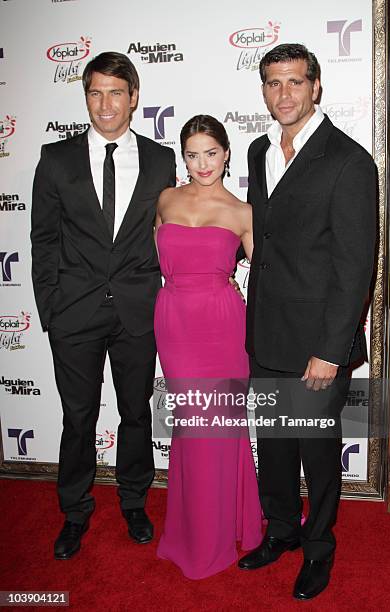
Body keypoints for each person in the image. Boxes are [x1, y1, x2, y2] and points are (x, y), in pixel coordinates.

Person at [238, 44, 376, 600]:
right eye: (274, 83)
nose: (284, 94)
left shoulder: (348, 160)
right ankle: (281, 532)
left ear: (316, 86)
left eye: (295, 82)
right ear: (264, 90)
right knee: (272, 447)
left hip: (318, 343)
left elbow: (354, 266)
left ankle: (319, 549)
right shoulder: (256, 151)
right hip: (266, 333)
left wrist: (331, 348)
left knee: (317, 454)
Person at [31, 51, 176, 560]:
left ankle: (134, 501)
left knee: (135, 413)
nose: (106, 103)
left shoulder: (162, 160)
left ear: (134, 98)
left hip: (139, 309)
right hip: (74, 311)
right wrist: (49, 306)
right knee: (78, 417)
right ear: (86, 97)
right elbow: (43, 239)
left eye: (117, 92)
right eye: (96, 92)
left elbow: (170, 234)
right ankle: (74, 510)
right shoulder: (55, 158)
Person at [154, 115, 262, 579]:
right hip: (175, 322)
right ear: (184, 156)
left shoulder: (243, 212)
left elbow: (269, 276)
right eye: (192, 154)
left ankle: (223, 531)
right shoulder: (166, 198)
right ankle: (195, 527)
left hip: (222, 327)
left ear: (226, 154)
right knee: (191, 429)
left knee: (219, 429)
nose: (202, 164)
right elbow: (162, 258)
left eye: (211, 153)